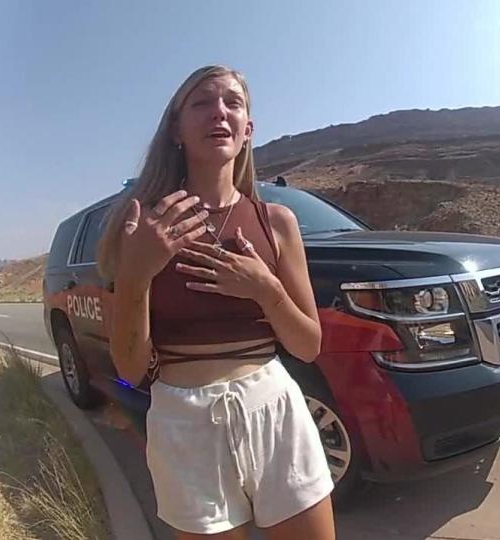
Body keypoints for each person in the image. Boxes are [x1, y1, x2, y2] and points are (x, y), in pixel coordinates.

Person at [96, 65, 335, 539]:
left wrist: (266, 289)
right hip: (185, 424)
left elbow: (308, 346)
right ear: (176, 129)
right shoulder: (142, 223)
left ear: (248, 130)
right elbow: (129, 367)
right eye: (202, 103)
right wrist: (137, 271)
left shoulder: (277, 222)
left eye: (233, 103)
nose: (218, 113)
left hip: (276, 412)